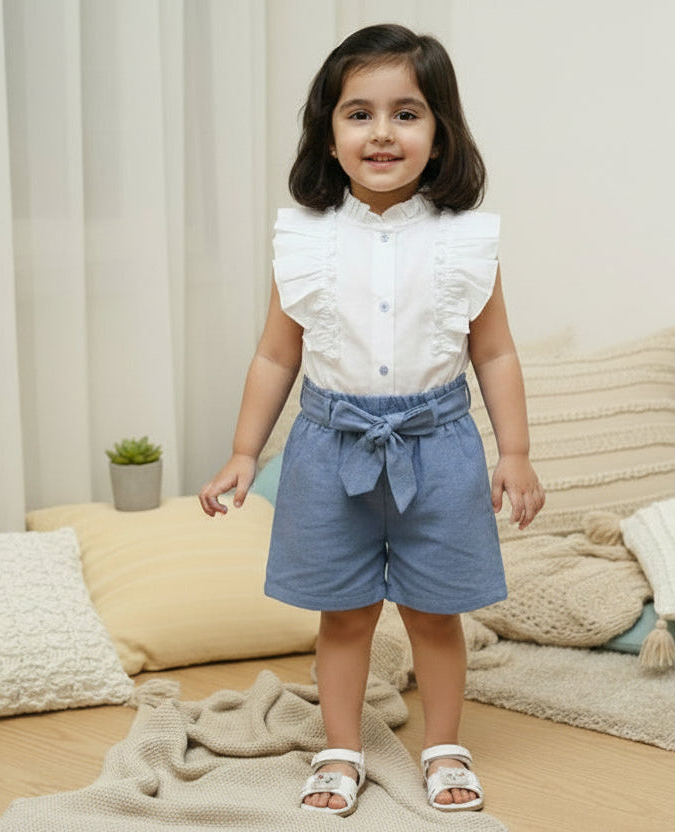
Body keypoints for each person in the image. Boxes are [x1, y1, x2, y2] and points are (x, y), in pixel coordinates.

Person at [199, 23, 544, 817]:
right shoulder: (303, 241)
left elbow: (495, 353)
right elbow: (275, 356)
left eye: (406, 113)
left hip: (439, 448)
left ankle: (445, 746)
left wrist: (515, 452)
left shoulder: (467, 242)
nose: (382, 132)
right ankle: (340, 748)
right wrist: (244, 452)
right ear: (329, 134)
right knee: (346, 613)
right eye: (359, 113)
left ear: (440, 131)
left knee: (434, 612)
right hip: (330, 448)